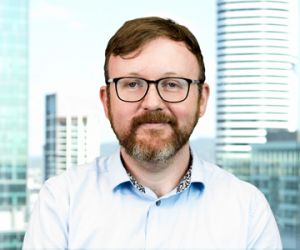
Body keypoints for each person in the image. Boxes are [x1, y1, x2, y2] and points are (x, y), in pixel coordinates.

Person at [23, 16, 282, 249]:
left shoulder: (248, 210)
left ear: (202, 100)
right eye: (132, 84)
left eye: (172, 84)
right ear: (106, 101)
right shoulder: (61, 202)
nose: (152, 102)